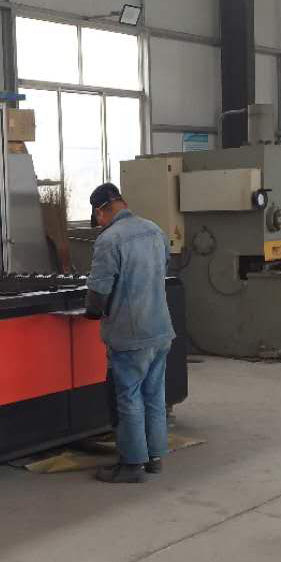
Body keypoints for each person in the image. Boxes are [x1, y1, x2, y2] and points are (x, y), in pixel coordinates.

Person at [85, 182, 175, 484]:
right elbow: (163, 269)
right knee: (154, 395)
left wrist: (92, 313)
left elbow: (99, 290)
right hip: (160, 329)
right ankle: (155, 457)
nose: (99, 223)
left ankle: (132, 465)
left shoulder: (109, 239)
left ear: (101, 211)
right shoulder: (154, 230)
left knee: (129, 398)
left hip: (131, 335)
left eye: (98, 217)